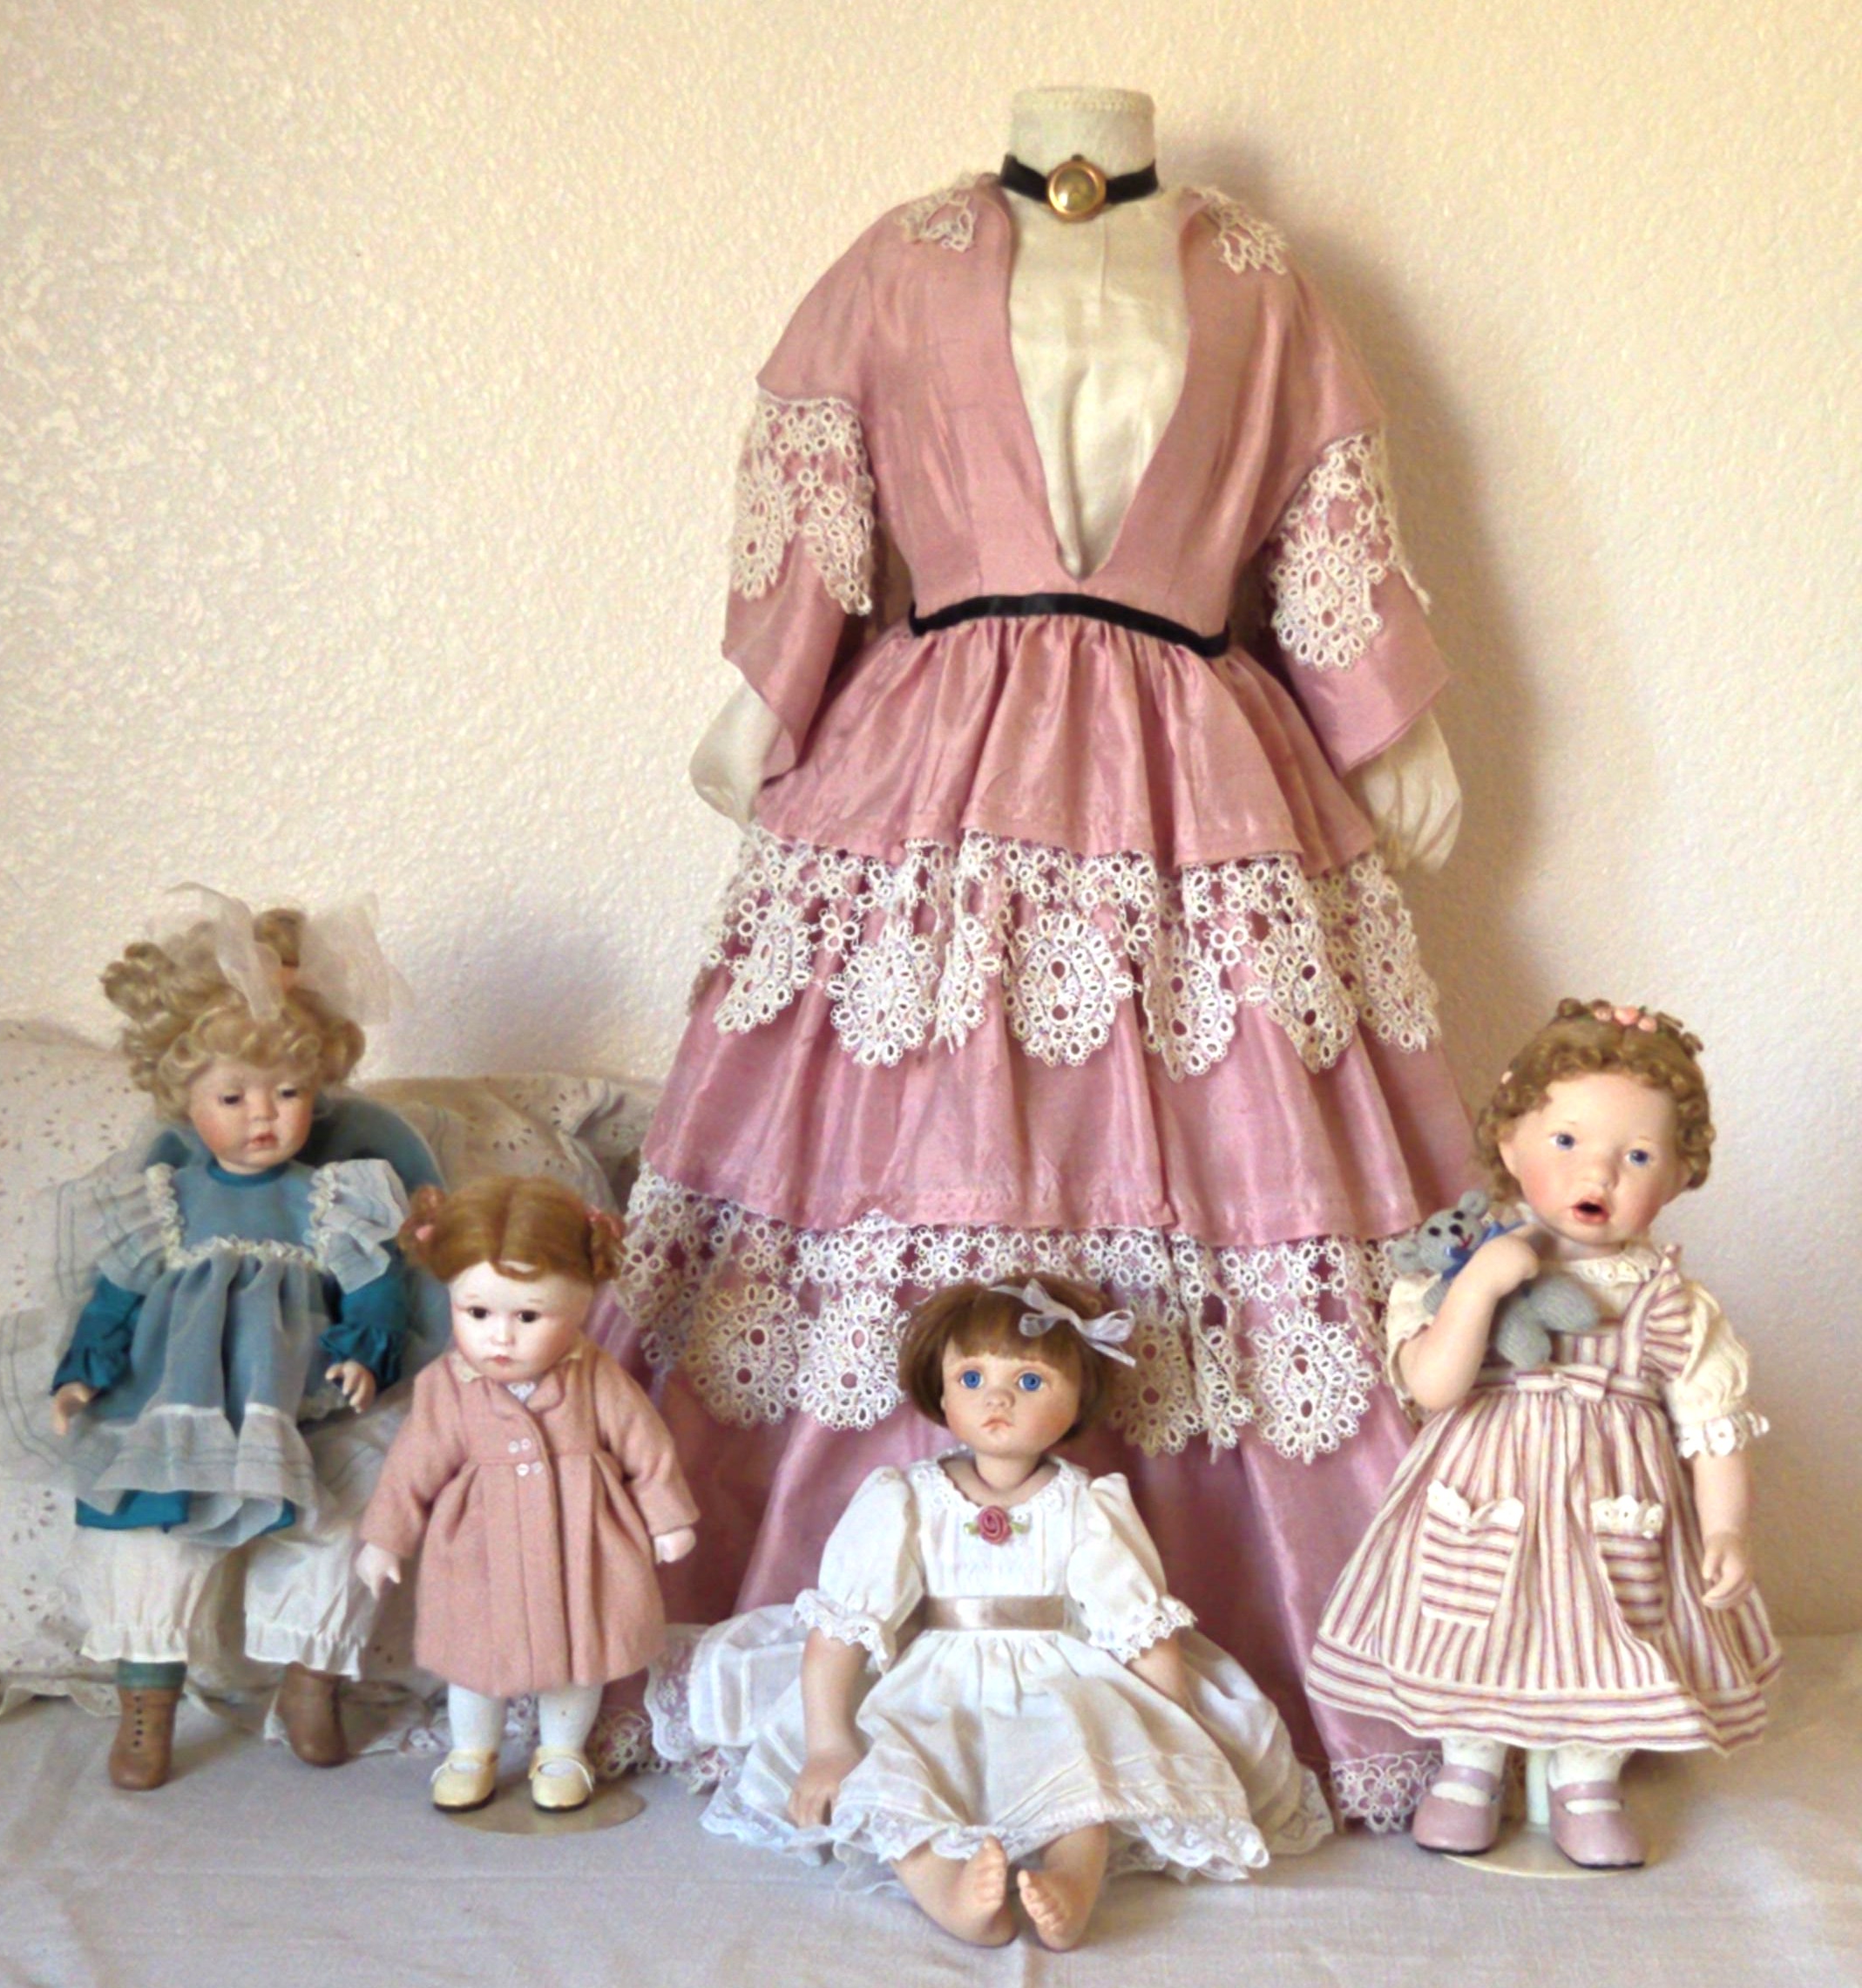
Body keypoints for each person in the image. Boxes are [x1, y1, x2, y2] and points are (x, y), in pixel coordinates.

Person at [604, 86, 1472, 1824]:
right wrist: (767, 690)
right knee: (909, 1128)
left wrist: (1392, 729)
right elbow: (818, 490)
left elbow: (1326, 531)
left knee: (1227, 1155)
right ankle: (877, 1644)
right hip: (934, 762)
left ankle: (1204, 1645)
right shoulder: (902, 261)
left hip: (1194, 772)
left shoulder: (1255, 275)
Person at [651, 1277, 1330, 1948]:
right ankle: (946, 1889)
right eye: (972, 1377)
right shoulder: (905, 1498)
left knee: (1088, 1763)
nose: (997, 1398)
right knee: (897, 1770)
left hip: (1059, 1677)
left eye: (1030, 1381)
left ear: (1078, 1399)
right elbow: (842, 1629)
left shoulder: (1088, 1505)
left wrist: (1170, 1725)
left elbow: (1137, 1625)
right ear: (941, 1390)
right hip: (934, 1677)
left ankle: (1072, 1878)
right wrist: (828, 1742)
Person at [1307, 1001, 1779, 1867]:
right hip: (1482, 1498)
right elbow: (1433, 1386)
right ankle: (1470, 1767)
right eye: (1566, 1140)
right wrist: (1480, 1286)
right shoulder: (1460, 1263)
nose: (1598, 1170)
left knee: (1609, 1630)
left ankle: (1586, 1776)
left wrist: (1724, 1529)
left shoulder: (1669, 1300)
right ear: (1509, 1138)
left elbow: (1713, 1427)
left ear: (1680, 1176)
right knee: (1474, 1626)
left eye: (1639, 1156)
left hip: (1615, 1512)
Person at [47, 899, 414, 1789]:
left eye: (288, 1093)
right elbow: (117, 1293)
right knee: (148, 1537)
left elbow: (376, 1284)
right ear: (185, 1098)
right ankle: (148, 1702)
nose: (264, 1116)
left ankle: (311, 1684)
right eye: (233, 1096)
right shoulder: (163, 1199)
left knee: (335, 1524)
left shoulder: (332, 1196)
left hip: (294, 1406)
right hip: (174, 1403)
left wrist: (365, 1353)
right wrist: (81, 1373)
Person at [356, 1177, 699, 1815]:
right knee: (475, 1658)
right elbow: (412, 1466)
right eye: (477, 1313)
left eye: (529, 1316)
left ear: (581, 1306)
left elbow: (644, 1446)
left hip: (582, 1541)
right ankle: (472, 1751)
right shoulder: (447, 1385)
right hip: (480, 1546)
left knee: (577, 1652)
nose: (500, 1338)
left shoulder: (596, 1376)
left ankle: (562, 1751)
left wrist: (666, 1517)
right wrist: (385, 1537)